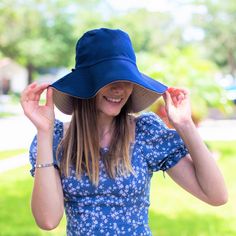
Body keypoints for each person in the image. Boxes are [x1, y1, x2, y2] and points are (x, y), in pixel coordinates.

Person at [20, 28, 227, 236]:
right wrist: (44, 131)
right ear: (86, 84)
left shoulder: (145, 133)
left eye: (126, 78)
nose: (119, 88)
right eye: (109, 79)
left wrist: (185, 125)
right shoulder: (56, 139)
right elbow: (47, 220)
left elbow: (216, 195)